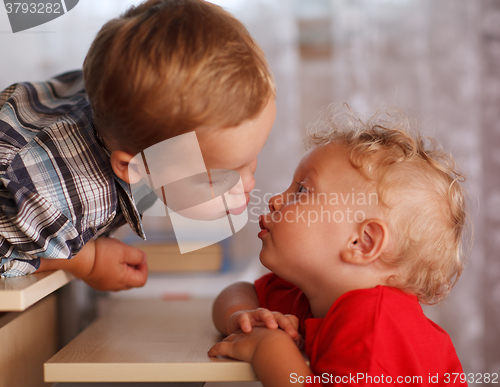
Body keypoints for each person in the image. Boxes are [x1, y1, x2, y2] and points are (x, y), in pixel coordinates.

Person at [0, 0, 276, 291]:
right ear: (136, 168)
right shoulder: (60, 200)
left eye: (252, 158)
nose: (247, 183)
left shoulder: (121, 102)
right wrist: (88, 261)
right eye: (219, 177)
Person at [209, 107, 468, 386]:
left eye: (302, 191)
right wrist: (243, 316)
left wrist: (269, 347)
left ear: (361, 242)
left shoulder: (375, 327)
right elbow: (239, 291)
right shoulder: (313, 294)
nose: (274, 200)